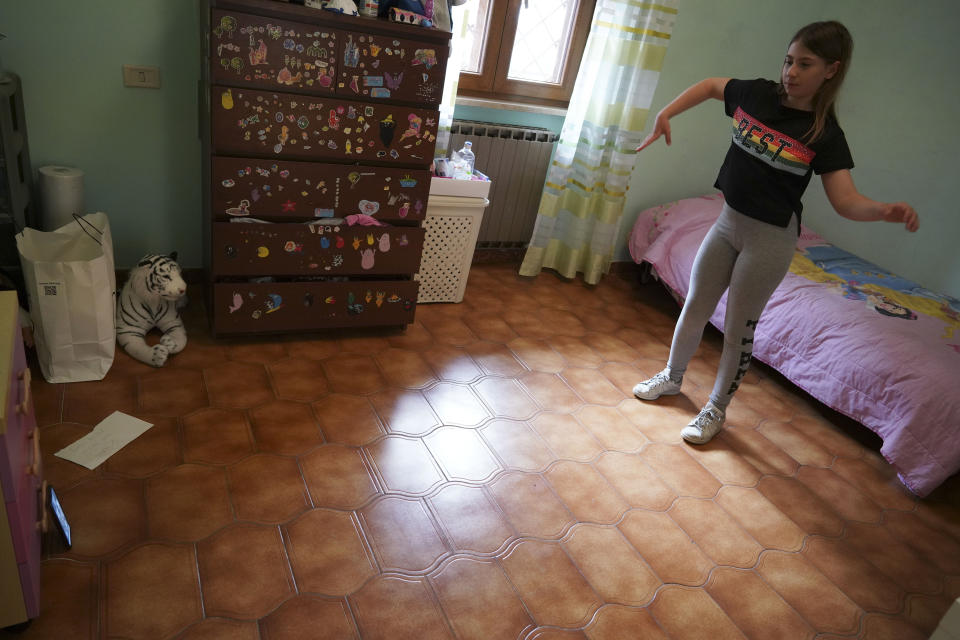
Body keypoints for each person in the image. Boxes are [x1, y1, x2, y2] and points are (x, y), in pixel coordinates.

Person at [632, 21, 919, 444]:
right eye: (789, 61)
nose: (792, 72)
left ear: (830, 70)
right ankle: (672, 377)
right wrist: (666, 112)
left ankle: (715, 410)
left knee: (737, 328)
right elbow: (713, 85)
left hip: (770, 240)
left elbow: (845, 200)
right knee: (695, 305)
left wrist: (882, 211)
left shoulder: (825, 134)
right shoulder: (757, 95)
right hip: (727, 222)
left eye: (805, 64)